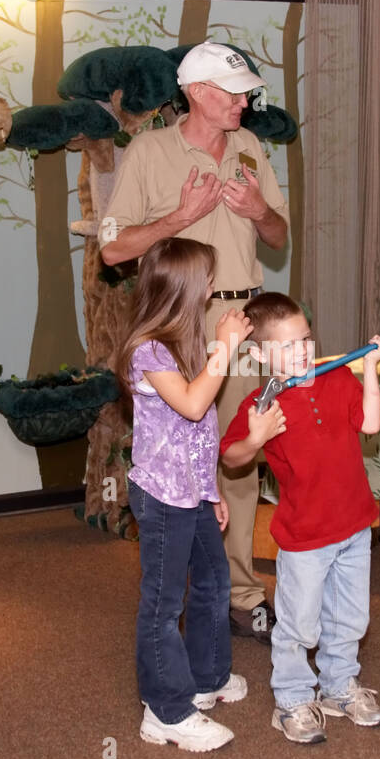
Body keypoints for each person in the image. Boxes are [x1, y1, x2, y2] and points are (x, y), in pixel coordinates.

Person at [101, 40, 290, 644]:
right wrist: (177, 219)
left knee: (238, 457)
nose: (243, 103)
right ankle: (177, 595)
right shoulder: (149, 152)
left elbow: (279, 236)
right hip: (179, 325)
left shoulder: (251, 149)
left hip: (244, 323)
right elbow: (113, 250)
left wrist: (260, 210)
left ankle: (238, 593)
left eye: (245, 93)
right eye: (233, 93)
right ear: (197, 94)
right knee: (178, 462)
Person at [220, 292, 380, 743]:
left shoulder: (337, 378)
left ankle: (339, 687)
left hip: (355, 526)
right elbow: (232, 457)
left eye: (306, 339)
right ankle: (293, 699)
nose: (302, 351)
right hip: (304, 538)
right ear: (259, 354)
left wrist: (372, 369)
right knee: (299, 624)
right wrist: (257, 437)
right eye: (288, 345)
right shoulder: (261, 406)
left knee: (350, 619)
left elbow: (371, 425)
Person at [112, 237, 253, 752]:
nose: (214, 288)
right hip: (162, 497)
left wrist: (210, 488)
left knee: (215, 583)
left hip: (191, 491)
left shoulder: (184, 341)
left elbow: (199, 432)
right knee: (163, 603)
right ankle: (166, 710)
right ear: (187, 288)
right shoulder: (147, 349)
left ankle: (207, 678)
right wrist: (225, 349)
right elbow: (194, 405)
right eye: (208, 280)